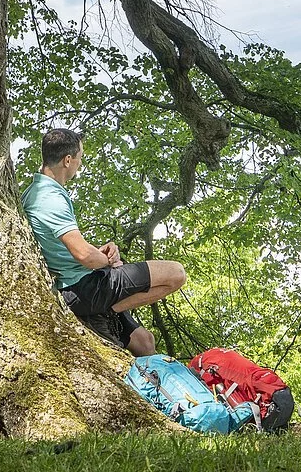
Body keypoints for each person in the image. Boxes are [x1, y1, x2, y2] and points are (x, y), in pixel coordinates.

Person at [21, 128, 186, 356]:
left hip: (83, 281)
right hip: (81, 288)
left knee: (146, 342)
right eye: (80, 158)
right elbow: (83, 255)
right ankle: (108, 308)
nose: (80, 163)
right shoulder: (48, 197)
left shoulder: (39, 192)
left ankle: (106, 310)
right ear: (68, 160)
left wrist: (101, 253)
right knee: (176, 274)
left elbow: (75, 249)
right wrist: (107, 261)